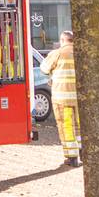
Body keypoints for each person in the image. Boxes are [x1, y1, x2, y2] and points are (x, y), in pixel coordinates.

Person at [41, 31, 80, 168]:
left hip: (62, 97)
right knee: (79, 126)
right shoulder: (81, 52)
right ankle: (82, 152)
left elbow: (44, 69)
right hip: (79, 98)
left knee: (66, 126)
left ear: (63, 40)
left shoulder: (57, 53)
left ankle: (72, 157)